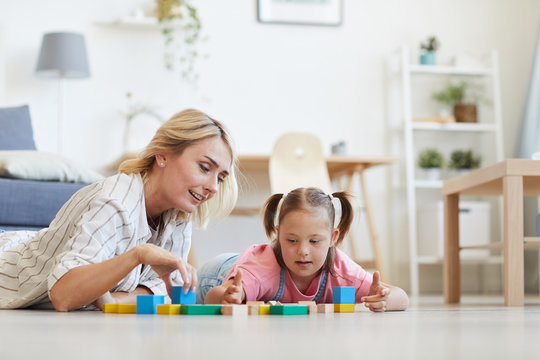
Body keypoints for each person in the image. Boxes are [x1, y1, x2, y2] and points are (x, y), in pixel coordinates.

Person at [0, 108, 238, 312]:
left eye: (220, 178)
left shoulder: (178, 216)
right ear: (162, 155)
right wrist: (138, 255)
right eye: (205, 167)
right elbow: (64, 296)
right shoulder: (114, 202)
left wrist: (113, 300)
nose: (213, 188)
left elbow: (162, 293)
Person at [200, 187, 408, 312]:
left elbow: (401, 297)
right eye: (291, 240)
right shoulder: (263, 268)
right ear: (278, 235)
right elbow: (213, 296)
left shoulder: (341, 271)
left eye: (315, 241)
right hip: (216, 274)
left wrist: (383, 299)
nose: (303, 251)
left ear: (332, 238)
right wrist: (226, 298)